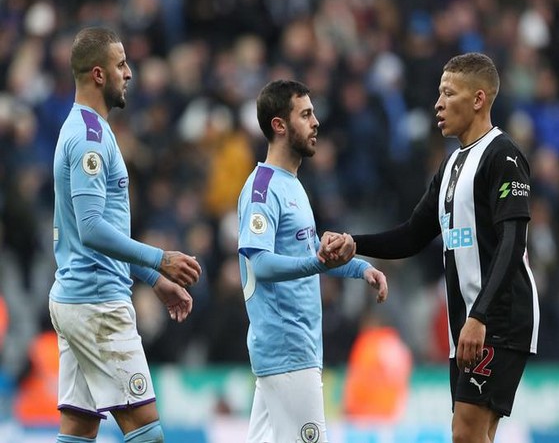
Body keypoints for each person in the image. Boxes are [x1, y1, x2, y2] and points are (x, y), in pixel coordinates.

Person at [320, 52, 540, 443]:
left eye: (448, 93)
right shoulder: (452, 165)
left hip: (498, 317)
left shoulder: (503, 157)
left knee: (466, 433)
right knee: (477, 433)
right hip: (469, 321)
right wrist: (357, 244)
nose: (437, 103)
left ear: (478, 99)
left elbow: (512, 240)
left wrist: (481, 316)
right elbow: (413, 234)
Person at [50, 27, 202, 443]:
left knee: (79, 429)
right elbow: (92, 228)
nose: (129, 73)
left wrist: (154, 280)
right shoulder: (89, 139)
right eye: (121, 65)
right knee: (147, 435)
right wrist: (160, 259)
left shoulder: (83, 128)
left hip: (77, 296)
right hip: (98, 304)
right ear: (98, 74)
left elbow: (97, 231)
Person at [237, 79, 388, 443]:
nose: (316, 122)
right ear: (279, 125)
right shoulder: (263, 189)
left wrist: (360, 267)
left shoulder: (292, 184)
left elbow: (309, 252)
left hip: (289, 350)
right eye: (305, 114)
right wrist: (320, 265)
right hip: (288, 348)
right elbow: (260, 264)